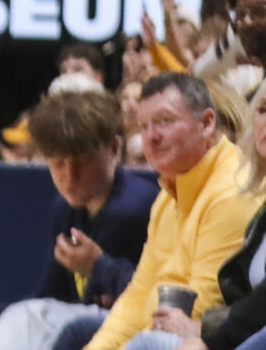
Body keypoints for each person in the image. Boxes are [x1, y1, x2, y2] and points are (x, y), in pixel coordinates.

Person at [0, 85, 151, 349]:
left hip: (132, 328)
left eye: (82, 163)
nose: (69, 177)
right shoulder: (66, 208)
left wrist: (98, 266)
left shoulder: (136, 207)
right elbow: (49, 300)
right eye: (58, 164)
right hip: (77, 324)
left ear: (113, 149)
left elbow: (154, 295)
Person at [71, 74, 255, 350]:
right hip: (158, 333)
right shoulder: (168, 195)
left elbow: (198, 313)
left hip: (207, 340)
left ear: (207, 123)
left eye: (165, 122)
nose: (151, 138)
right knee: (77, 332)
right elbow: (138, 294)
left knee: (146, 343)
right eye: (144, 126)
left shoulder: (231, 191)